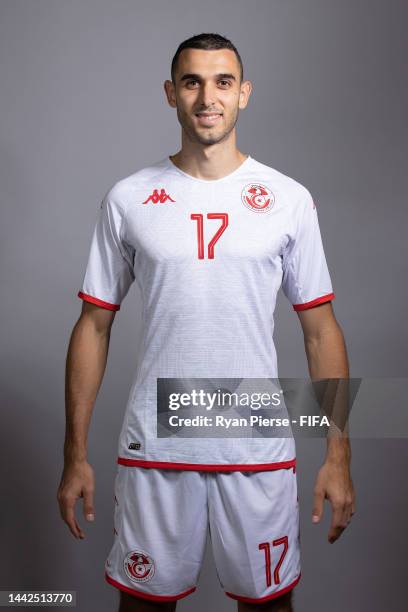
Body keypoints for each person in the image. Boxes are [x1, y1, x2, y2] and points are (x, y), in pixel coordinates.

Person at [57, 33, 355, 612]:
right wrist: (74, 455)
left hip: (257, 442)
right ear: (172, 93)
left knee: (269, 607)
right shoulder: (129, 198)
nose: (207, 97)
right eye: (192, 82)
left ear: (244, 93)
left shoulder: (288, 198)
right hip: (156, 444)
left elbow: (321, 331)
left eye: (222, 82)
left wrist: (338, 457)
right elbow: (93, 325)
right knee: (143, 607)